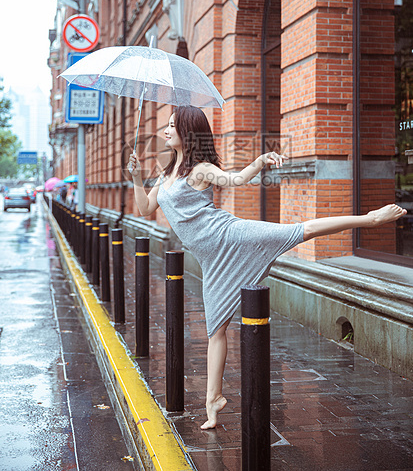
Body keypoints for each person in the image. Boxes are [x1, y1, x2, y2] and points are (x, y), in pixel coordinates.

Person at [128, 105, 406, 430]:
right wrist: (136, 178)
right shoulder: (166, 173)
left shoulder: (200, 169)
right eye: (168, 125)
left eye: (172, 125)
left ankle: (370, 218)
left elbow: (236, 179)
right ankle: (213, 401)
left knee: (300, 230)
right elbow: (145, 206)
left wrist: (260, 160)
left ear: (188, 132)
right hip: (212, 258)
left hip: (232, 236)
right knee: (216, 327)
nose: (166, 130)